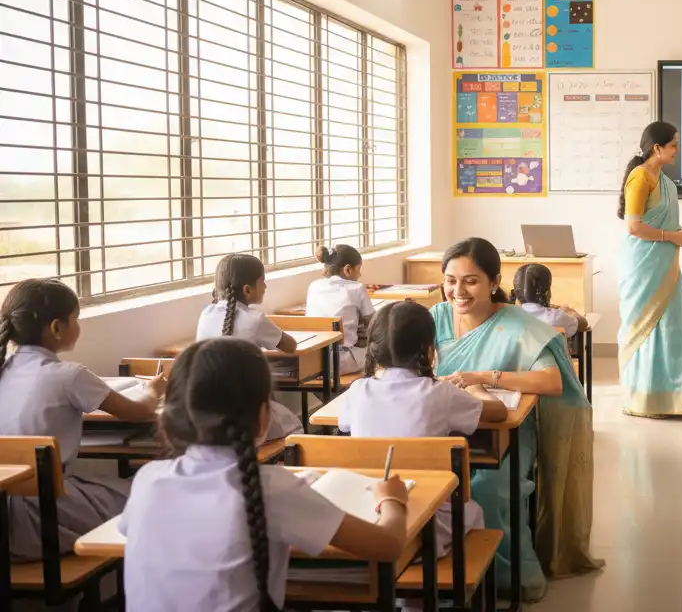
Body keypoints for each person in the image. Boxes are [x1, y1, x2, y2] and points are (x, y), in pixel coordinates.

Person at [120, 337, 411, 611]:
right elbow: (388, 544)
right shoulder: (272, 490)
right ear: (263, 416)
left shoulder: (149, 480)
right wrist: (392, 500)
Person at [430, 237, 602, 599]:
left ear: (494, 283)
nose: (457, 291)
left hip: (506, 432)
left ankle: (508, 580)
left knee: (486, 489)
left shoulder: (516, 324)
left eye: (470, 280)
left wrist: (485, 377)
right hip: (440, 430)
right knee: (425, 487)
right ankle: (438, 582)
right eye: (450, 280)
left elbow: (551, 381)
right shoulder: (436, 317)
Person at [0, 278, 165, 560]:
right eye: (76, 318)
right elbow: (139, 412)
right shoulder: (70, 375)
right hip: (43, 518)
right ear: (56, 328)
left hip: (7, 520)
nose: (79, 325)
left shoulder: (5, 369)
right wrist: (154, 390)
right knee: (155, 498)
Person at [340, 301, 505, 556]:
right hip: (429, 520)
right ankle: (461, 585)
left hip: (371, 512)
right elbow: (499, 413)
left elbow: (344, 424)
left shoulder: (357, 391)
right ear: (429, 350)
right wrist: (478, 387)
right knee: (473, 510)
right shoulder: (439, 393)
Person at [616, 121, 682, 418]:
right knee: (646, 330)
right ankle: (644, 400)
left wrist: (678, 232)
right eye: (674, 145)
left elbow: (658, 222)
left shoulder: (664, 180)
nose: (677, 151)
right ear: (657, 148)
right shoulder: (640, 178)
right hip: (644, 266)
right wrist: (673, 236)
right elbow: (634, 226)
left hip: (665, 263)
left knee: (671, 328)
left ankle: (673, 399)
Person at [196, 253, 302, 441]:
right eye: (262, 281)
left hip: (208, 414)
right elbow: (290, 346)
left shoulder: (206, 314)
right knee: (296, 428)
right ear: (247, 290)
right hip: (245, 417)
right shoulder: (254, 319)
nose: (265, 286)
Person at [305, 244, 375, 374]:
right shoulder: (357, 288)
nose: (360, 274)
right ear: (347, 269)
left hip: (313, 360)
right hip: (341, 361)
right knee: (376, 349)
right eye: (358, 269)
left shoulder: (313, 286)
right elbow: (374, 322)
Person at [512, 263, 588, 340]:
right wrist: (569, 311)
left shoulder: (510, 318)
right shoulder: (556, 317)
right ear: (547, 292)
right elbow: (583, 323)